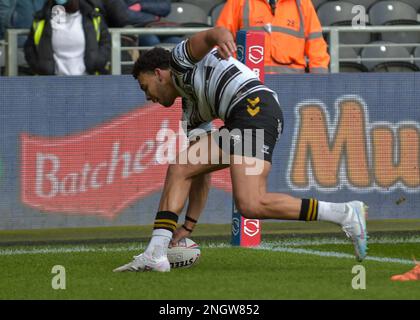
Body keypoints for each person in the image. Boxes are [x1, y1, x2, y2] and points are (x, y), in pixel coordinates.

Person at [113, 26, 368, 273]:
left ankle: (345, 213)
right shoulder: (191, 113)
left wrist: (222, 35)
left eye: (145, 87)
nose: (148, 97)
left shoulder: (179, 60)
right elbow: (199, 174)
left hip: (253, 108)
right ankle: (156, 253)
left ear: (159, 73)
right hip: (244, 118)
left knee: (247, 201)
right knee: (191, 171)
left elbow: (211, 35)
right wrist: (188, 225)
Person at [216, 0, 330, 74]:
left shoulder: (303, 3)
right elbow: (220, 40)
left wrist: (319, 82)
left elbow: (316, 46)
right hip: (249, 83)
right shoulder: (238, 2)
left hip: (293, 83)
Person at [24, 0, 110, 75]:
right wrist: (40, 67)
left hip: (87, 81)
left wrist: (97, 62)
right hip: (52, 83)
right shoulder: (44, 18)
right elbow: (29, 47)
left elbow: (105, 41)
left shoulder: (92, 16)